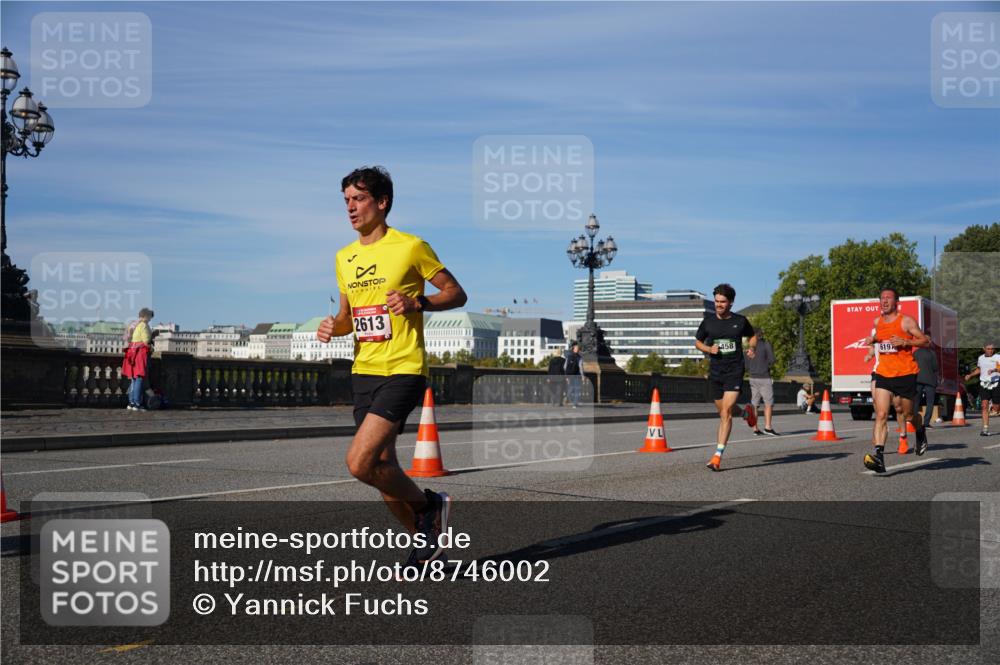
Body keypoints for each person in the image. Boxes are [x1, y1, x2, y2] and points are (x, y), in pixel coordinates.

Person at [316, 166, 467, 566]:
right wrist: (335, 325)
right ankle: (426, 543)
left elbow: (456, 293)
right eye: (346, 200)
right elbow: (349, 317)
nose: (350, 207)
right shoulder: (343, 257)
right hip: (364, 369)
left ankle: (429, 508)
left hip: (403, 368)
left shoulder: (411, 246)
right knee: (382, 470)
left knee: (359, 462)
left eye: (359, 198)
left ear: (382, 203)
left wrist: (419, 302)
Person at [862, 288, 930, 473]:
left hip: (905, 374)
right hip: (884, 373)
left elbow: (925, 341)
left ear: (896, 301)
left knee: (907, 415)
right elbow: (881, 337)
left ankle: (920, 429)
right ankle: (879, 456)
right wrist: (873, 339)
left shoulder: (906, 321)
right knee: (881, 414)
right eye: (882, 298)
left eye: (888, 298)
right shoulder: (878, 321)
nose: (884, 301)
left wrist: (906, 342)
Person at [695, 283, 757, 472]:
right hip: (716, 372)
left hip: (734, 370)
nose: (719, 305)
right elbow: (698, 342)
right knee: (723, 410)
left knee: (726, 412)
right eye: (716, 301)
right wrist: (708, 349)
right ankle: (747, 414)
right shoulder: (708, 322)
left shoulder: (740, 321)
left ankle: (717, 455)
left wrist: (752, 347)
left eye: (723, 302)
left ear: (731, 302)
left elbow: (753, 336)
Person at [745, 329, 779, 435]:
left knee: (754, 404)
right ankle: (768, 427)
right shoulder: (765, 344)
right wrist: (764, 363)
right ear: (760, 335)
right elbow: (772, 359)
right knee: (768, 403)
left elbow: (746, 365)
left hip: (752, 377)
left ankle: (755, 429)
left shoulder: (749, 347)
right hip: (764, 377)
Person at [122, 308, 154, 411]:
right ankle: (137, 404)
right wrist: (151, 340)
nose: (150, 320)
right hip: (140, 354)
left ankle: (131, 403)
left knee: (134, 379)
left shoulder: (134, 324)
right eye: (149, 317)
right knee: (139, 378)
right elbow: (146, 341)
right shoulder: (143, 325)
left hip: (132, 353)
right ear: (146, 316)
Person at [964, 343, 999, 436]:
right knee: (984, 406)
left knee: (996, 408)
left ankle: (996, 409)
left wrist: (994, 370)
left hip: (996, 384)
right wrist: (970, 375)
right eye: (988, 349)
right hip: (984, 384)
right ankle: (985, 429)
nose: (990, 350)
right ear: (983, 349)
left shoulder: (997, 357)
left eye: (992, 349)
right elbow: (979, 369)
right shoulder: (981, 358)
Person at [914, 333, 939, 428]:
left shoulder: (916, 353)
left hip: (918, 379)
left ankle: (915, 422)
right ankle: (926, 423)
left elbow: (912, 366)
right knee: (930, 402)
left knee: (916, 401)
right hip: (930, 380)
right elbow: (935, 367)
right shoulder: (932, 353)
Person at [564, 342, 584, 408]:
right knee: (577, 390)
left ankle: (568, 398)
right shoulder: (580, 357)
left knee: (571, 388)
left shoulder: (568, 356)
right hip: (577, 375)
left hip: (570, 375)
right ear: (576, 350)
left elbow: (565, 367)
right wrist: (583, 376)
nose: (578, 349)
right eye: (578, 348)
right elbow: (581, 367)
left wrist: (566, 376)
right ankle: (574, 403)